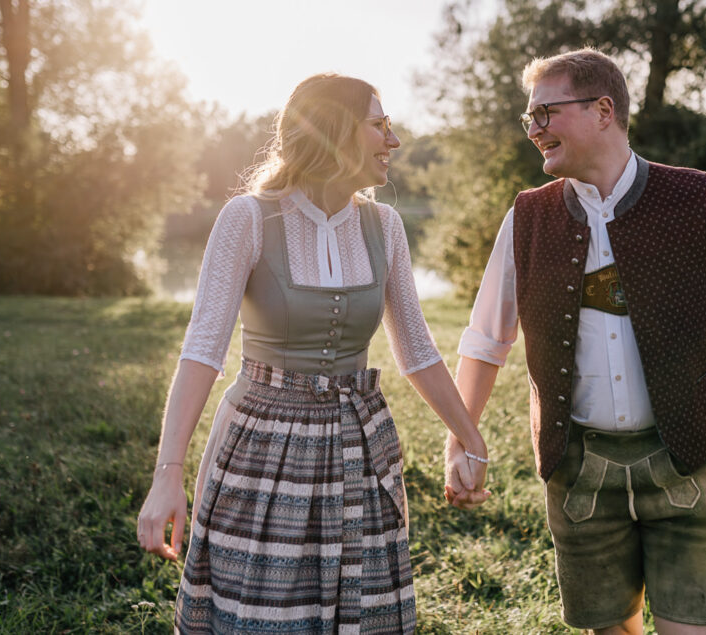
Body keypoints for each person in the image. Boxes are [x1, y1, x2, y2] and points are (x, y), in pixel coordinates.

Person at [444, 49, 706, 634]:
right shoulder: (526, 217)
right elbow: (487, 339)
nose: (534, 129)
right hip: (579, 472)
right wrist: (462, 438)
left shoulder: (694, 199)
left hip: (683, 465)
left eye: (546, 113)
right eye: (529, 118)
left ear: (602, 110)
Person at [136, 73, 488, 634]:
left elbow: (416, 348)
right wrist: (167, 475)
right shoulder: (248, 218)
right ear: (334, 132)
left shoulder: (385, 225)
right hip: (261, 447)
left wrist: (471, 440)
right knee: (261, 614)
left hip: (360, 447)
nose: (392, 141)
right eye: (379, 125)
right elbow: (203, 349)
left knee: (360, 614)